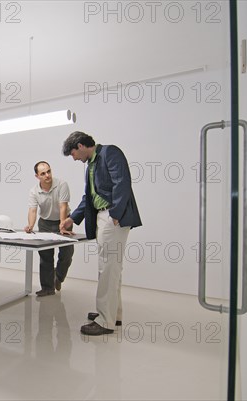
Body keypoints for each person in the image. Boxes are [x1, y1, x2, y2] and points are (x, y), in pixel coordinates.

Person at [60, 132, 142, 335]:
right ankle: (113, 314)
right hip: (103, 217)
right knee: (110, 268)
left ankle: (105, 321)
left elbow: (122, 182)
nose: (75, 159)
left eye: (73, 154)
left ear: (80, 146)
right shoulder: (92, 165)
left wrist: (116, 213)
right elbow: (89, 196)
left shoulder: (109, 153)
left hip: (112, 217)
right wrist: (73, 218)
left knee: (108, 268)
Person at [25, 161, 74, 297]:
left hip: (64, 221)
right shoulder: (34, 191)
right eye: (43, 173)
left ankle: (58, 277)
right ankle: (47, 288)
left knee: (67, 255)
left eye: (49, 171)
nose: (47, 175)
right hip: (45, 224)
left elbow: (63, 206)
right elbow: (33, 210)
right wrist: (30, 225)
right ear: (37, 176)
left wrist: (63, 224)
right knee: (45, 256)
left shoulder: (62, 185)